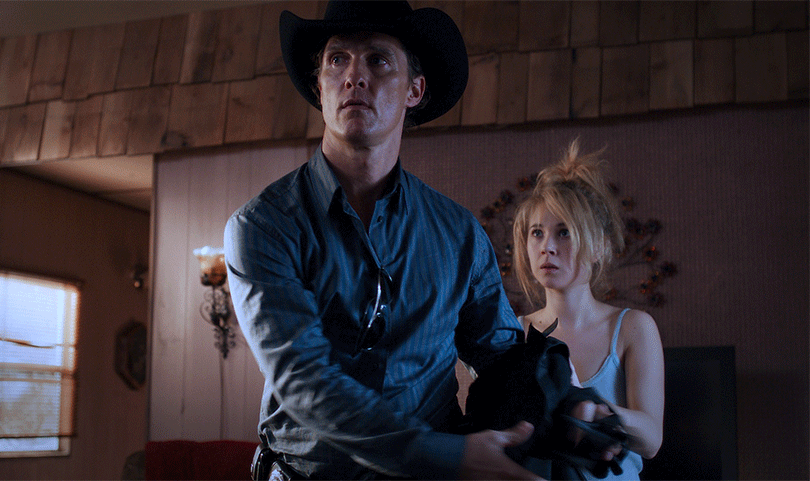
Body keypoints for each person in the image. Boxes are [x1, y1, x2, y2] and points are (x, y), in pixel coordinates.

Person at [225, 2, 618, 479]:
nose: (354, 76)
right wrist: (447, 455)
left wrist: (568, 407)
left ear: (415, 90)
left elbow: (501, 358)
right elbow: (304, 381)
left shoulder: (459, 234)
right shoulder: (262, 226)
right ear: (319, 86)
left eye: (377, 59)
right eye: (337, 60)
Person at [511, 140, 665, 479]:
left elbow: (652, 439)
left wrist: (594, 409)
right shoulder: (512, 332)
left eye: (564, 232)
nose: (547, 247)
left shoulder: (633, 327)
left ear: (598, 247)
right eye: (537, 233)